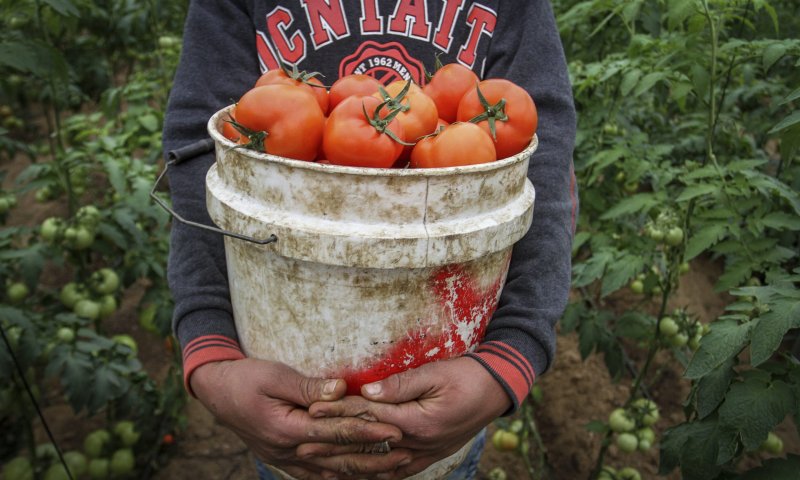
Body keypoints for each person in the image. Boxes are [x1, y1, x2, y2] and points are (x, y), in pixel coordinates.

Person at [162, 1, 577, 479]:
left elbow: (540, 158)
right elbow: (202, 154)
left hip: (447, 378)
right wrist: (210, 346)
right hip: (285, 392)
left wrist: (512, 352)